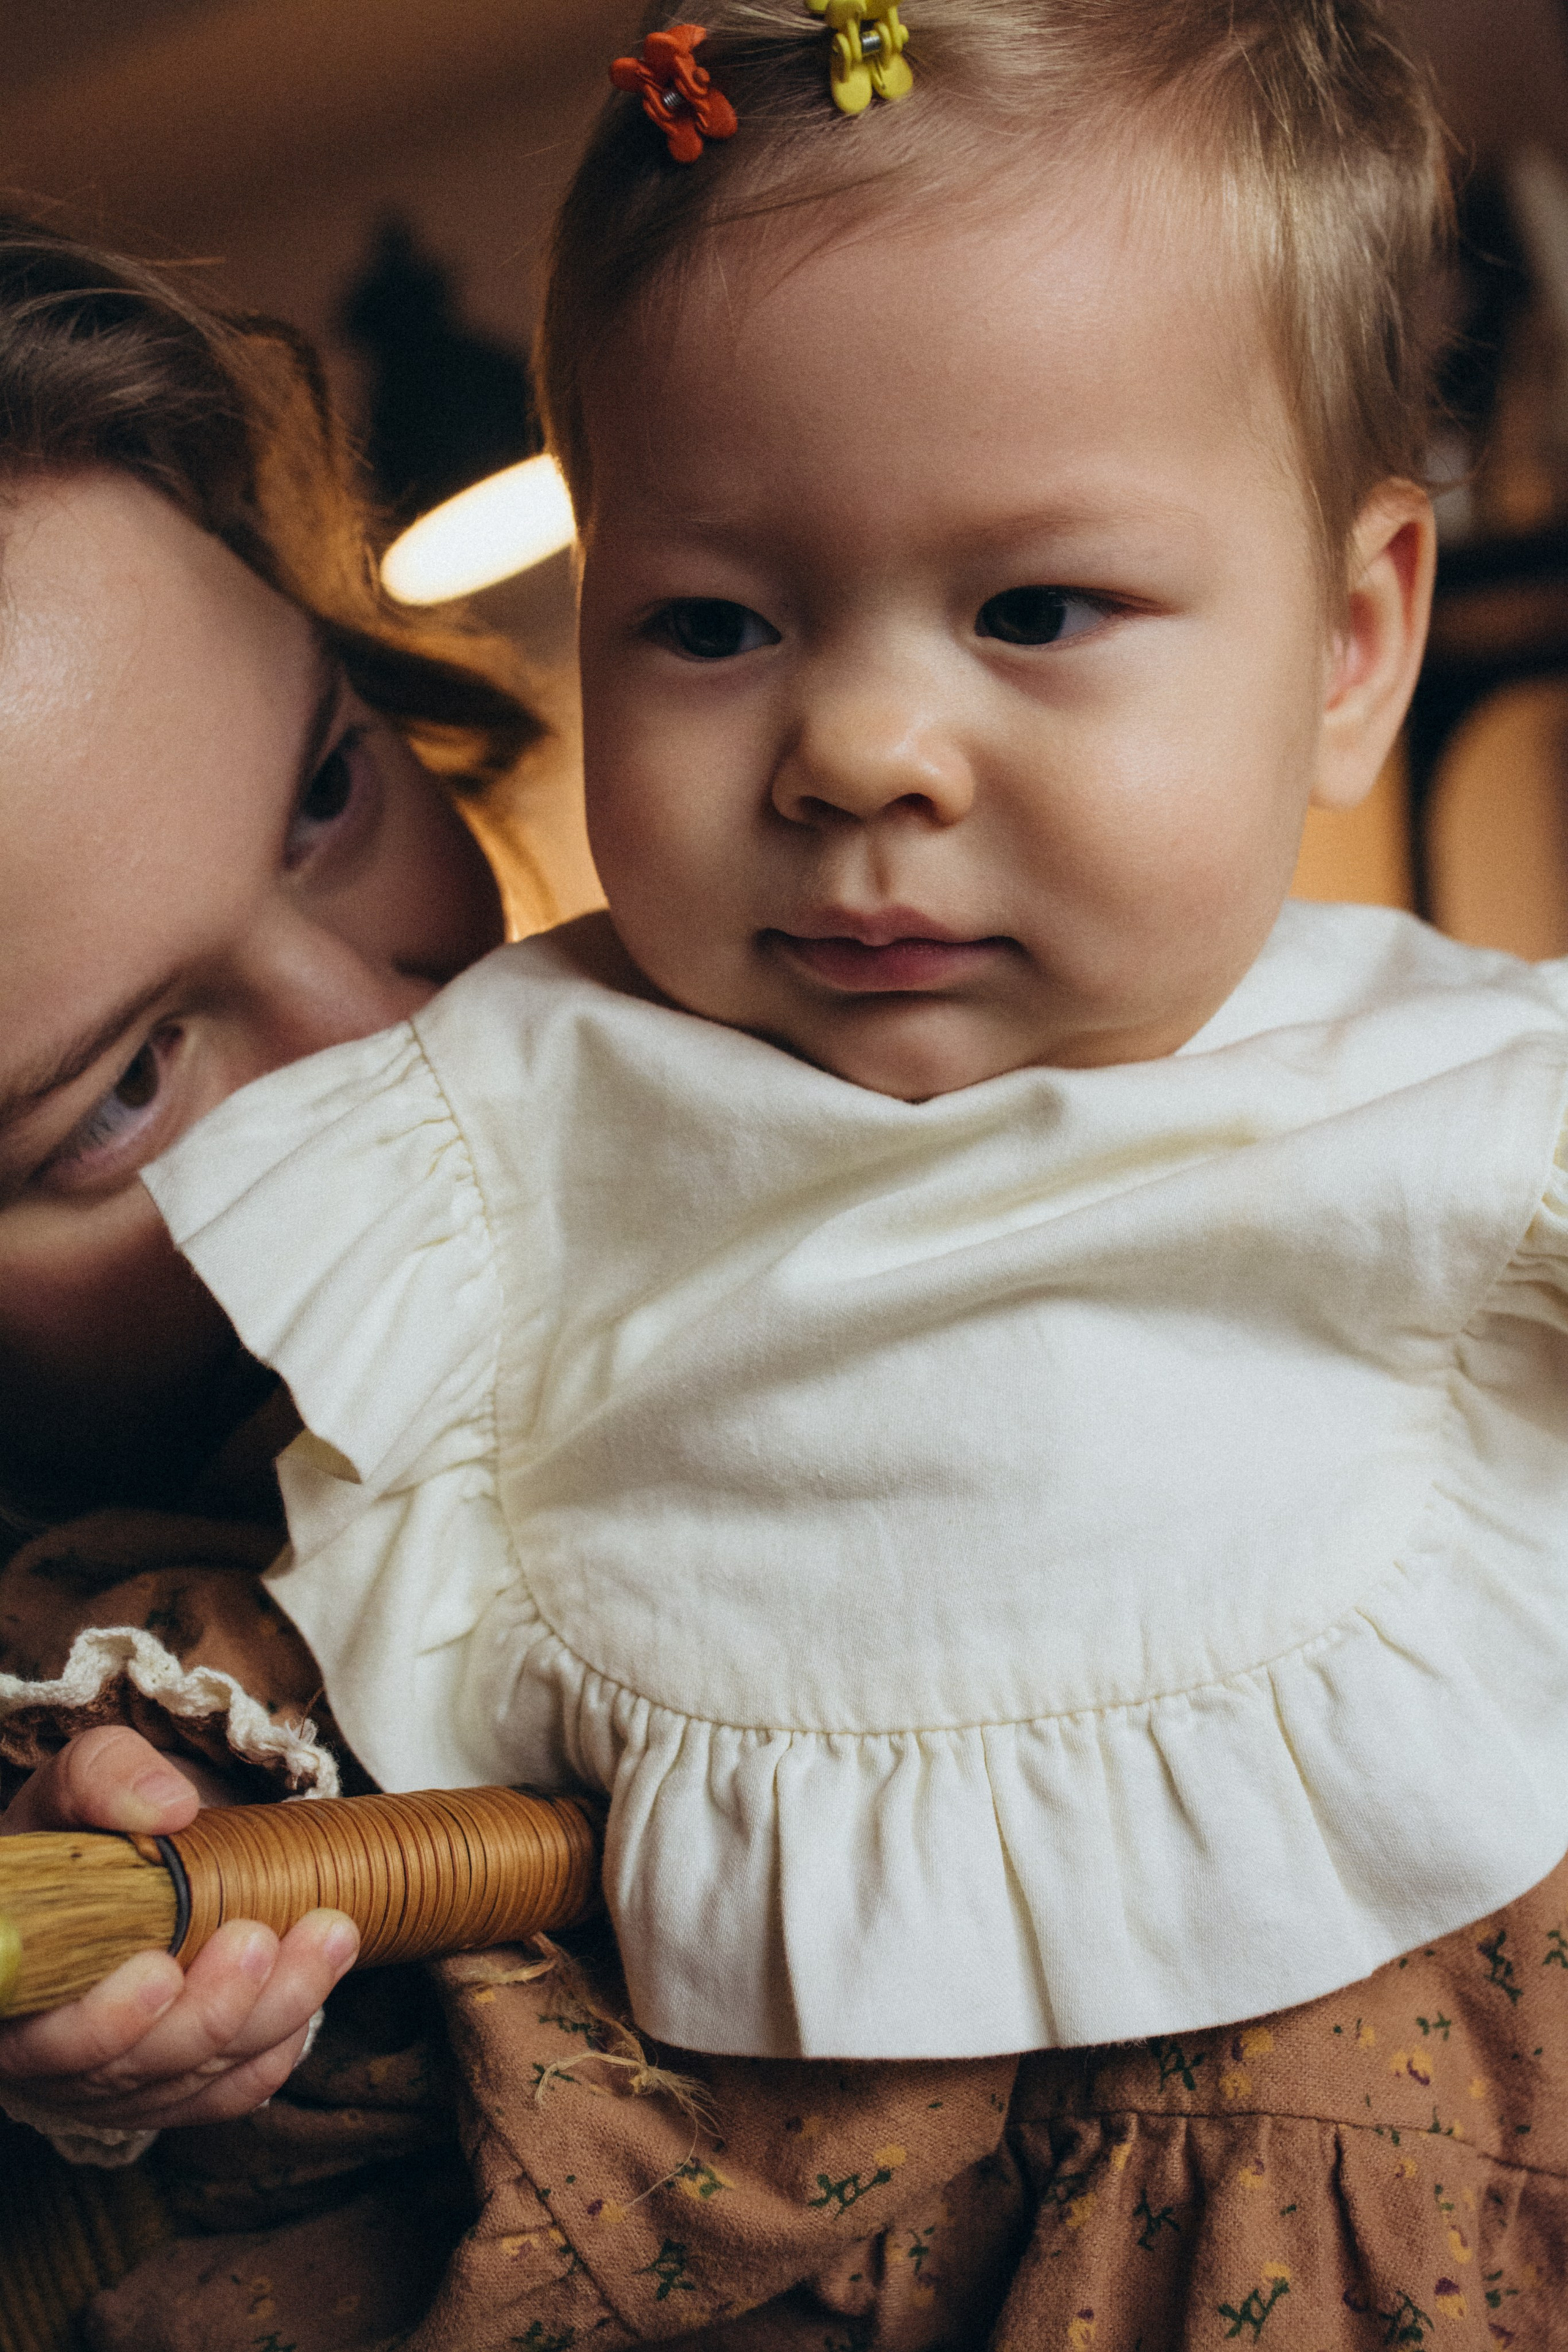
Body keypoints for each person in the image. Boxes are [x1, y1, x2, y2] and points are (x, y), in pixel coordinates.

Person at [10, 7, 1568, 2345]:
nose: (855, 746)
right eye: (716, 625)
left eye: (331, 786)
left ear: (1353, 644)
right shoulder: (509, 1192)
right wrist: (138, 1886)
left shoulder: (1470, 1096)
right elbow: (263, 1652)